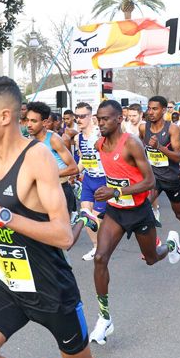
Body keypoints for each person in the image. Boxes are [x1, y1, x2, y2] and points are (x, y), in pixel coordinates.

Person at [0, 76, 108, 358]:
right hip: (9, 285)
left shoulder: (37, 157)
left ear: (4, 116)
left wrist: (0, 214)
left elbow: (63, 236)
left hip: (51, 289)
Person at [89, 100, 180, 344]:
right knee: (100, 258)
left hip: (139, 211)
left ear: (119, 119)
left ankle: (171, 245)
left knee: (151, 258)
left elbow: (150, 182)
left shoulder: (131, 143)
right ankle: (104, 317)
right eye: (98, 119)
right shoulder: (99, 144)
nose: (100, 123)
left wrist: (116, 191)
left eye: (105, 119)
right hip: (115, 211)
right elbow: (113, 175)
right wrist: (106, 191)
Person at [143, 96, 180, 257]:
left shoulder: (172, 129)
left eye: (155, 109)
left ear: (164, 110)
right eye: (149, 108)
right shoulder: (143, 128)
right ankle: (155, 242)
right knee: (143, 208)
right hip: (154, 178)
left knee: (179, 213)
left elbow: (178, 157)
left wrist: (159, 146)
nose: (150, 112)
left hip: (171, 178)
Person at [26, 102, 80, 216]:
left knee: (61, 228)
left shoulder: (53, 139)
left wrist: (48, 174)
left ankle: (84, 220)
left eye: (34, 121)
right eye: (28, 120)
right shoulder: (29, 140)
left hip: (60, 190)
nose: (29, 124)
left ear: (44, 122)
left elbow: (74, 168)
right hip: (41, 192)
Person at [72, 102, 105, 261]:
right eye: (76, 116)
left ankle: (103, 247)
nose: (78, 119)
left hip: (103, 180)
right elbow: (83, 160)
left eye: (82, 116)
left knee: (96, 218)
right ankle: (96, 247)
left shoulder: (100, 133)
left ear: (91, 116)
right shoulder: (78, 138)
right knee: (86, 216)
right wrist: (73, 173)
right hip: (88, 180)